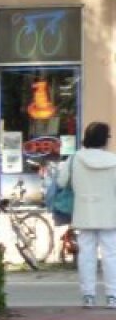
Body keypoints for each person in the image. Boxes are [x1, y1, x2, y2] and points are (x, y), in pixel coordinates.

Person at [57, 121, 116, 307]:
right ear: (105, 140)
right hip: (110, 213)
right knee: (111, 255)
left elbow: (61, 182)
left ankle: (88, 296)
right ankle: (112, 296)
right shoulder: (114, 160)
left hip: (83, 212)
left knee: (86, 255)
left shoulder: (74, 159)